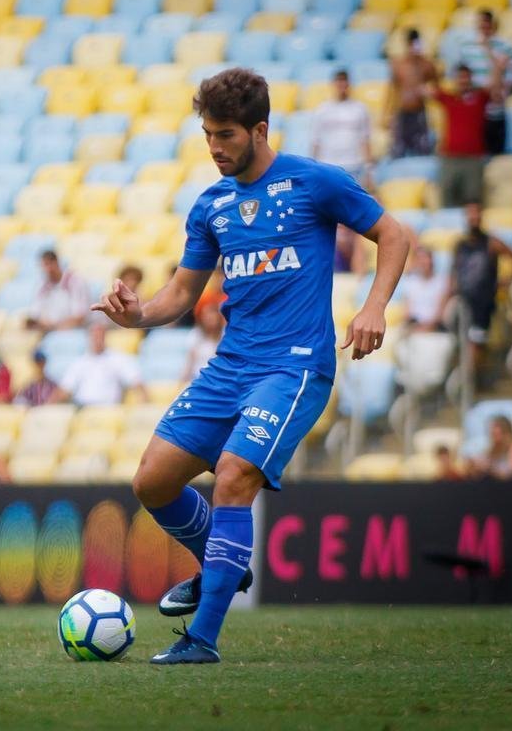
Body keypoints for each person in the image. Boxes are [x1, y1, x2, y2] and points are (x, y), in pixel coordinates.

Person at [92, 67, 409, 665]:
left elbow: (393, 235)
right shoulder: (211, 204)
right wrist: (135, 315)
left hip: (294, 369)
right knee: (152, 482)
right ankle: (222, 563)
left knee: (235, 473)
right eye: (208, 134)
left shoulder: (315, 183)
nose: (214, 147)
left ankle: (202, 640)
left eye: (227, 135)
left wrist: (373, 307)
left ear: (260, 130)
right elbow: (181, 295)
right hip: (231, 366)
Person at [450, 203, 512, 380]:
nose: (473, 218)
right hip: (463, 301)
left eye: (476, 214)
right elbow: (454, 271)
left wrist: (506, 282)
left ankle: (467, 381)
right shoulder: (460, 245)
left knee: (476, 342)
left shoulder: (491, 243)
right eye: (470, 215)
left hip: (483, 303)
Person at [430, 63, 504, 208]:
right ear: (455, 80)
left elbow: (496, 90)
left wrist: (497, 66)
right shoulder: (449, 98)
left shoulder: (480, 98)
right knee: (447, 199)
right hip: (450, 158)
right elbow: (430, 88)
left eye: (466, 77)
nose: (463, 80)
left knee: (473, 200)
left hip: (473, 158)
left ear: (471, 79)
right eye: (460, 77)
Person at [458, 10, 512, 155]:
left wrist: (504, 86)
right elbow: (462, 76)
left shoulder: (505, 46)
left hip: (497, 106)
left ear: (493, 26)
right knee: (477, 151)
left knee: (497, 150)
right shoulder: (466, 46)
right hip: (477, 107)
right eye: (481, 26)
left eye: (487, 26)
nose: (484, 30)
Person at [50, 324, 147, 407]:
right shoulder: (80, 362)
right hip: (82, 409)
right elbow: (65, 389)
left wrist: (144, 404)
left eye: (100, 336)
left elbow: (136, 382)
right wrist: (48, 406)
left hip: (107, 411)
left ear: (105, 337)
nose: (97, 339)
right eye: (94, 336)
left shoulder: (118, 359)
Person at [310, 69, 373, 187]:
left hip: (354, 166)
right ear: (333, 84)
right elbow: (316, 141)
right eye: (339, 82)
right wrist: (313, 169)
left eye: (344, 82)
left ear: (349, 84)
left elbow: (365, 140)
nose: (342, 86)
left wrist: (369, 170)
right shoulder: (322, 110)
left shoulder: (360, 109)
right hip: (328, 165)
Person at [388, 29, 437, 158]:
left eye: (414, 43)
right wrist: (389, 114)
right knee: (399, 150)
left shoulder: (425, 64)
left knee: (422, 150)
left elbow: (436, 83)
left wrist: (428, 91)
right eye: (410, 43)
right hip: (403, 112)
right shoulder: (399, 64)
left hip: (419, 111)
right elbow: (393, 90)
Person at [25, 250, 92, 334]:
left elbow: (80, 317)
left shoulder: (75, 281)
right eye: (44, 265)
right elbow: (34, 315)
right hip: (51, 332)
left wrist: (53, 327)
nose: (47, 269)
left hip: (75, 333)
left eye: (49, 264)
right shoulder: (42, 285)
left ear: (56, 263)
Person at [401, 246, 448, 331]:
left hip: (435, 327)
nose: (423, 262)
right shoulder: (410, 281)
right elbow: (407, 312)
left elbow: (440, 313)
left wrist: (427, 327)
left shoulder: (442, 282)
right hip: (414, 326)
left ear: (431, 260)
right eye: (419, 259)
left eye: (425, 258)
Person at [182, 300, 225, 382]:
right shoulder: (195, 335)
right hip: (197, 379)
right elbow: (189, 362)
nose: (209, 318)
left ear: (218, 317)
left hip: (219, 378)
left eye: (212, 315)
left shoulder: (225, 335)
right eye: (206, 315)